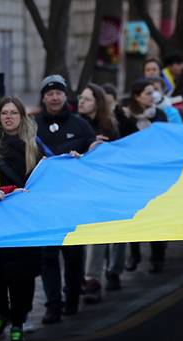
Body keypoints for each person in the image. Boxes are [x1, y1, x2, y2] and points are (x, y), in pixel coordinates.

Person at [0, 96, 46, 341]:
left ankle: (18, 322)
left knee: (22, 275)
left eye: (13, 113)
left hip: (23, 222)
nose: (8, 117)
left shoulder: (33, 145)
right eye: (3, 113)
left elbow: (47, 176)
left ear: (21, 117)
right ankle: (0, 316)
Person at [34, 75, 96, 323]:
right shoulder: (33, 126)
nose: (54, 97)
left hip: (72, 201)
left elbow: (95, 154)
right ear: (43, 97)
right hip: (44, 202)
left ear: (65, 95)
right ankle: (53, 305)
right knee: (48, 256)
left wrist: (86, 154)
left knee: (73, 254)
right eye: (49, 93)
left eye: (59, 92)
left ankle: (72, 298)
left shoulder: (80, 125)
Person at [76, 83, 126, 300]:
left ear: (97, 102)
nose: (81, 102)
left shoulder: (110, 124)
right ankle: (91, 278)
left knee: (115, 232)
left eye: (87, 98)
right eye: (80, 98)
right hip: (82, 187)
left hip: (108, 185)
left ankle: (114, 270)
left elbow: (120, 150)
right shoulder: (75, 124)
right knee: (92, 233)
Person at [120, 79, 169, 273]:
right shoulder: (125, 117)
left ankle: (158, 256)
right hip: (133, 173)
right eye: (148, 93)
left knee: (157, 214)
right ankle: (134, 252)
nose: (152, 96)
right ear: (137, 96)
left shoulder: (160, 115)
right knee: (135, 214)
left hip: (157, 172)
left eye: (153, 92)